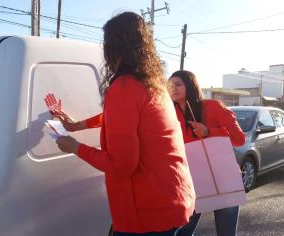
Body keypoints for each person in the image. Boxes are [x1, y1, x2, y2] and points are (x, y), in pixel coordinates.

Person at [45, 12, 195, 236]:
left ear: (113, 48)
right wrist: (78, 125)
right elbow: (128, 119)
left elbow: (122, 165)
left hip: (150, 212)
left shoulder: (124, 87)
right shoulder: (153, 84)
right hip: (175, 198)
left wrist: (74, 146)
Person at [167, 70, 246, 236]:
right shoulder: (169, 114)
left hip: (224, 179)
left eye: (178, 84)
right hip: (192, 182)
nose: (173, 88)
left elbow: (239, 139)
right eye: (170, 85)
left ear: (190, 85)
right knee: (182, 232)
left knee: (226, 233)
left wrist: (209, 131)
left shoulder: (213, 107)